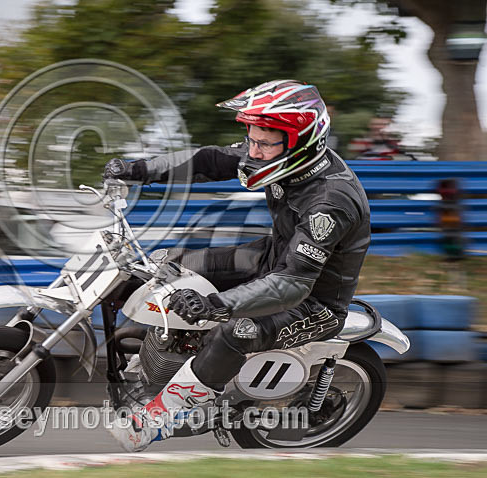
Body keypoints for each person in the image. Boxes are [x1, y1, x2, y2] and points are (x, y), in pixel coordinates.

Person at [103, 79, 371, 452]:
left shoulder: (330, 201)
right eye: (251, 138)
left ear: (300, 142)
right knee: (176, 263)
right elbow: (208, 160)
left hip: (312, 300)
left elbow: (293, 283)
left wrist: (217, 304)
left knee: (236, 329)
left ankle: (160, 418)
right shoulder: (277, 156)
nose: (253, 150)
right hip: (271, 258)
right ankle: (154, 365)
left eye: (263, 143)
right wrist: (136, 169)